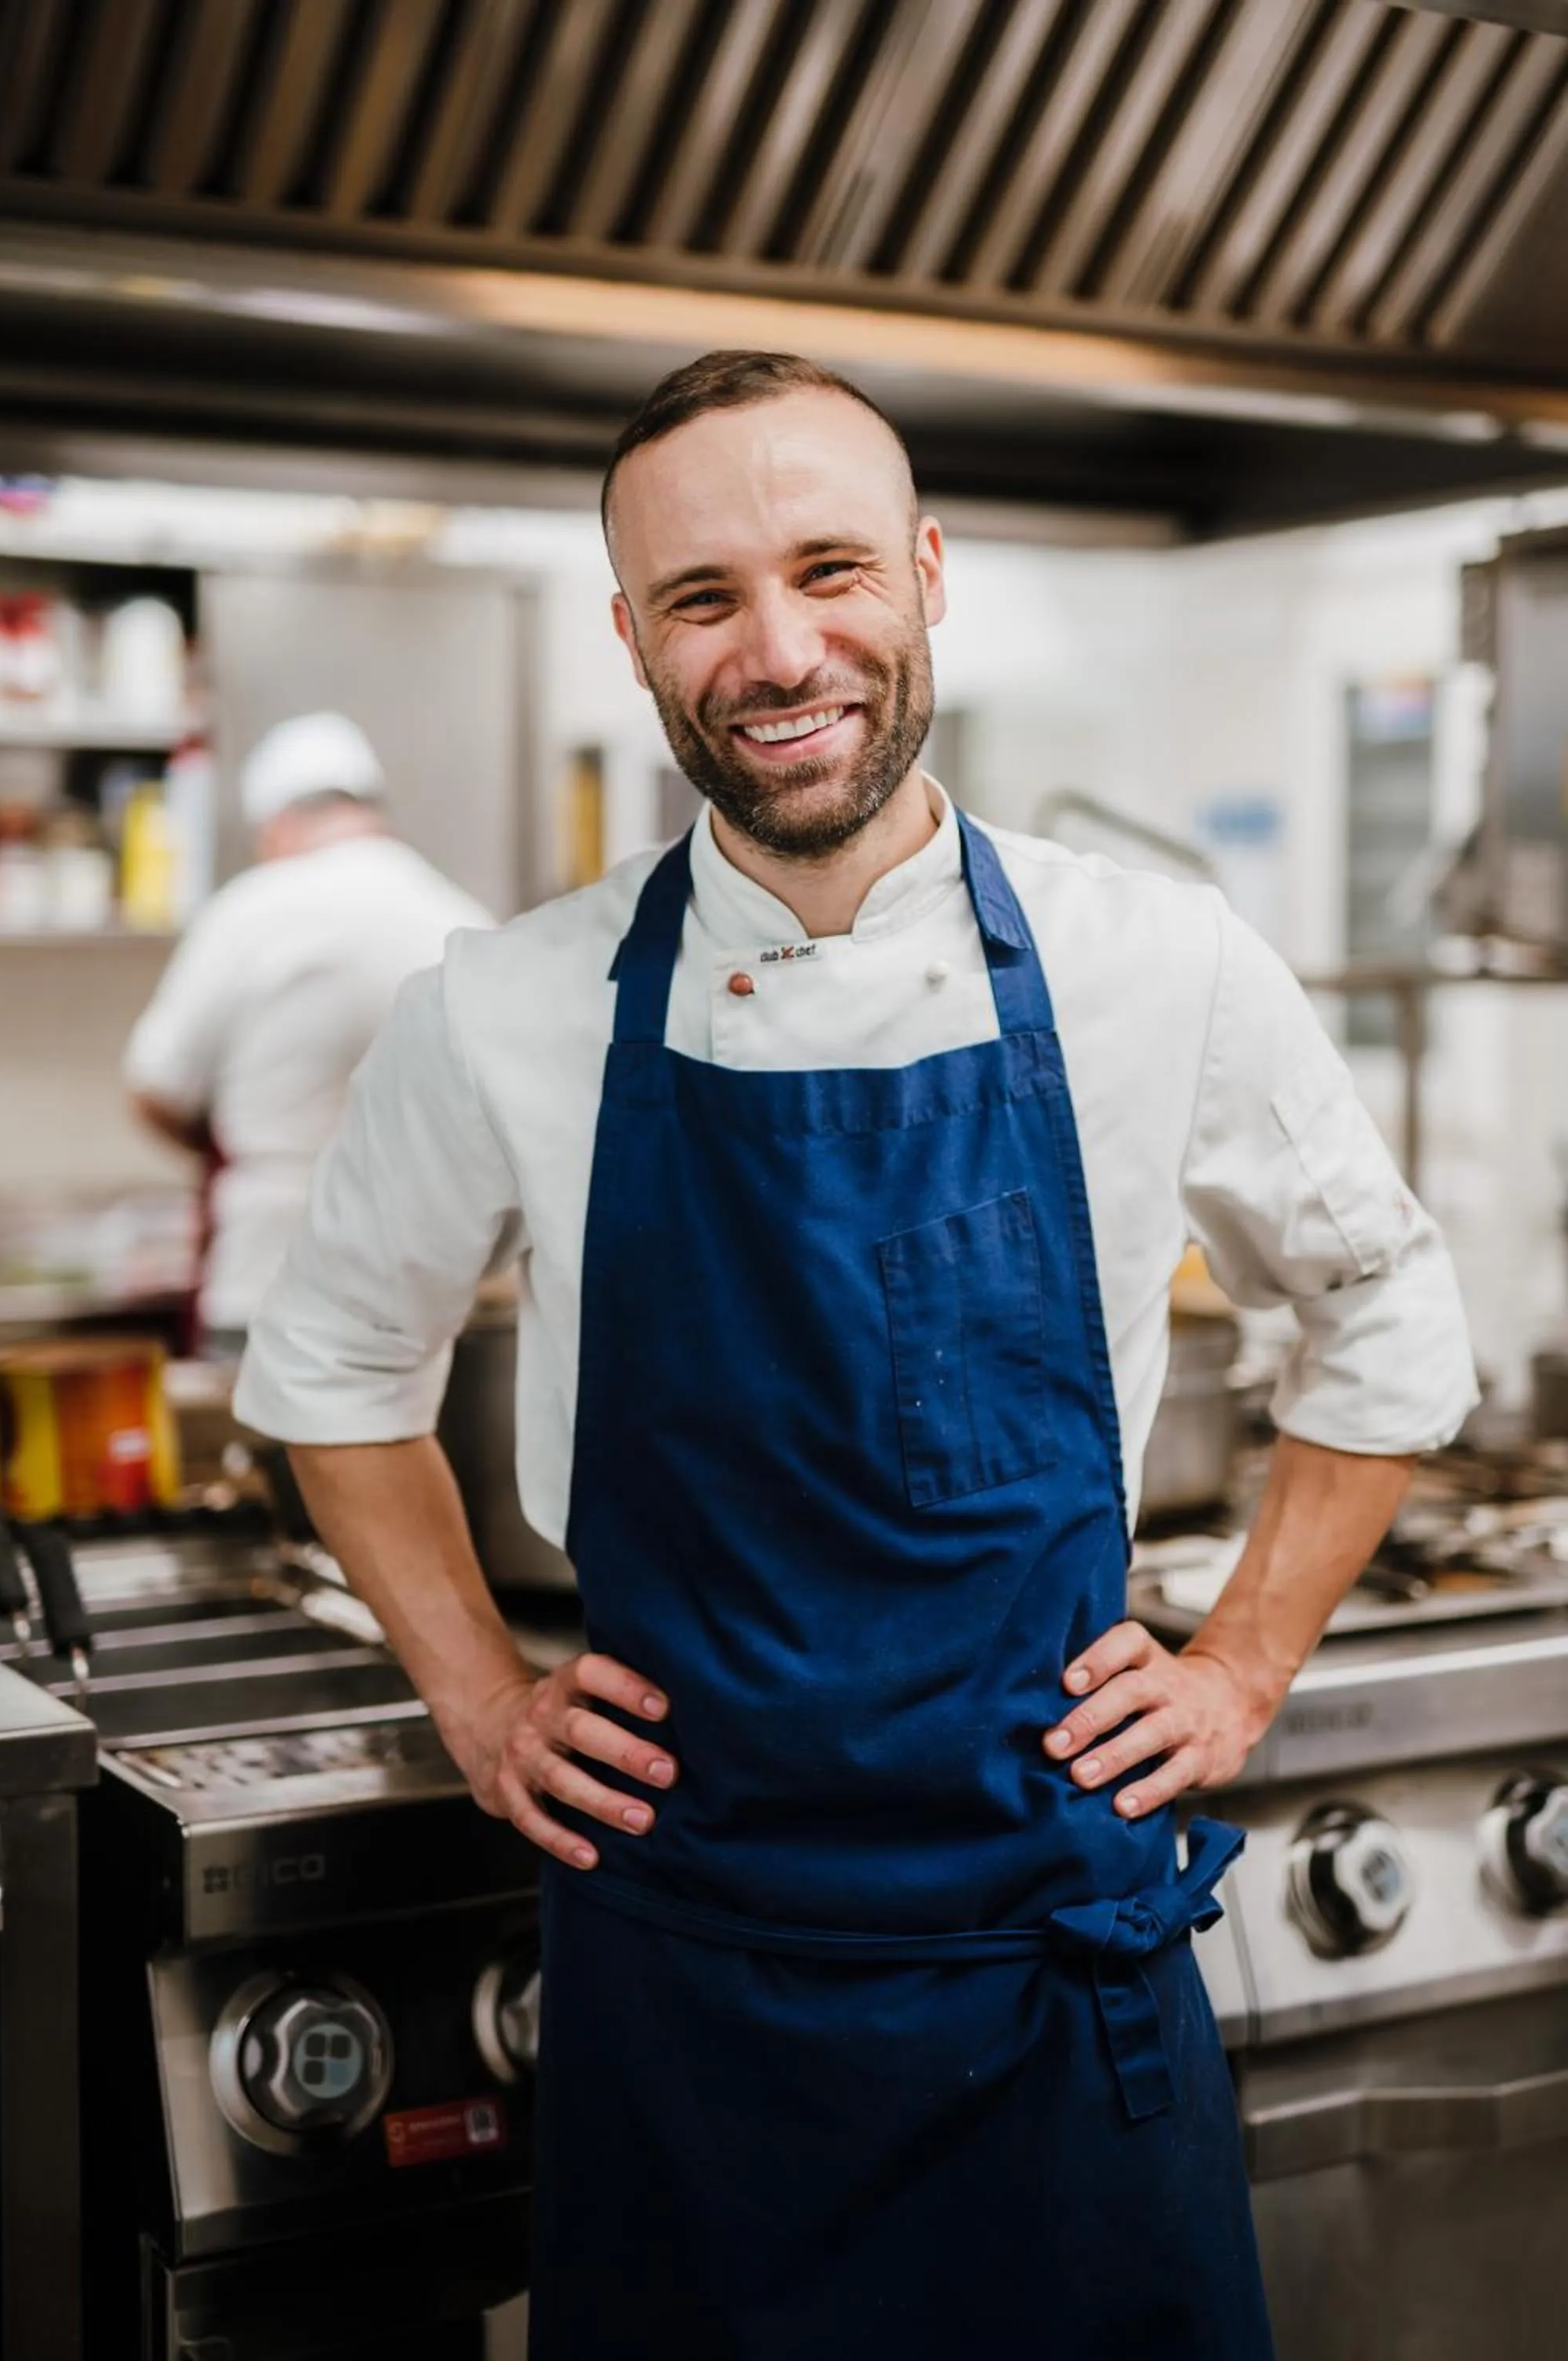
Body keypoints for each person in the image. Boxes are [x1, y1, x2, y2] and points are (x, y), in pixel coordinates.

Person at [234, 353, 1477, 2357]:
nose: (779, 649)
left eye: (829, 570)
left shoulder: (1154, 962)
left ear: (926, 573)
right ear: (632, 636)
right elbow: (334, 1377)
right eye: (702, 596)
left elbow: (1387, 1312)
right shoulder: (503, 1006)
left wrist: (1243, 1661)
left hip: (1049, 1975)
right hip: (685, 1990)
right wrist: (476, 1699)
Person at [125, 711, 491, 1355]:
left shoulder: (249, 910)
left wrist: (229, 1140)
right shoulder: (461, 921)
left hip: (268, 1280)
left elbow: (153, 1088)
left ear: (278, 824)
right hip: (418, 1297)